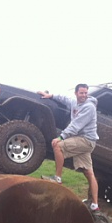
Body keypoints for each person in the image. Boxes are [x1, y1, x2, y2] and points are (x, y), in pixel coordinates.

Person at [37, 83, 100, 211]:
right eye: (81, 93)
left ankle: (57, 178)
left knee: (58, 146)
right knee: (89, 173)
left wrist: (61, 137)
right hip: (84, 141)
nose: (84, 95)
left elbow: (76, 125)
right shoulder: (75, 102)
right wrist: (51, 95)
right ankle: (95, 205)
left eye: (85, 93)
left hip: (86, 140)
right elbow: (65, 99)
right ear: (76, 93)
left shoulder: (89, 107)